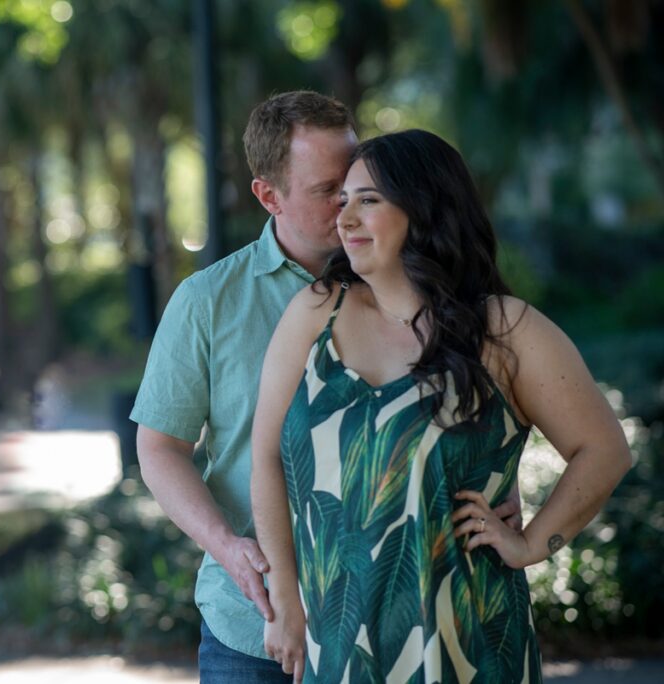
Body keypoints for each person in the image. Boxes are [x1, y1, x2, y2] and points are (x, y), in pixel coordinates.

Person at [130, 92, 522, 682]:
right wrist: (227, 547)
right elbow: (160, 447)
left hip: (392, 625)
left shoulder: (421, 281)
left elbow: (466, 404)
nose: (349, 203)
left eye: (360, 184)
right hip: (255, 626)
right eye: (327, 190)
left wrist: (501, 485)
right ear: (269, 196)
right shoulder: (208, 301)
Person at [250, 129, 631, 683]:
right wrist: (284, 598)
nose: (345, 219)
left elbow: (604, 449)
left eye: (368, 200)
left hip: (466, 645)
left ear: (424, 208)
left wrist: (531, 545)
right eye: (343, 200)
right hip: (338, 647)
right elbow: (265, 456)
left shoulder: (502, 329)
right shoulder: (315, 313)